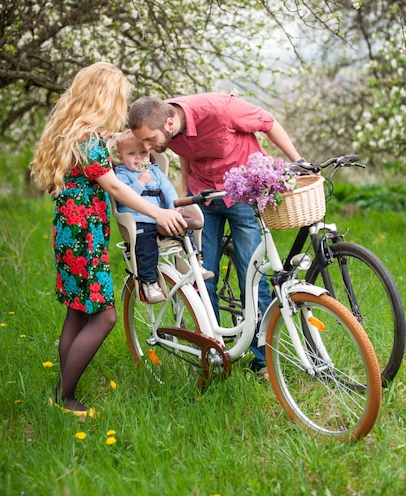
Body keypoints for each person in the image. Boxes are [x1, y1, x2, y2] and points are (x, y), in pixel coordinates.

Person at [30, 62, 186, 417]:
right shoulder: (87, 140)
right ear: (105, 98)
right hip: (84, 234)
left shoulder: (74, 132)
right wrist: (158, 212)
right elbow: (113, 185)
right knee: (104, 316)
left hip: (71, 230)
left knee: (78, 311)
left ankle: (63, 391)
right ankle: (64, 397)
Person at [128, 93, 302, 378]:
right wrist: (185, 194)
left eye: (149, 141)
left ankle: (263, 359)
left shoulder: (219, 110)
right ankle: (215, 353)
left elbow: (268, 123)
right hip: (205, 199)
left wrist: (299, 161)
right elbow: (186, 152)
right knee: (203, 276)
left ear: (170, 123)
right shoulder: (163, 121)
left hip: (242, 194)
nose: (147, 148)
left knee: (252, 275)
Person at [114, 130, 212, 303]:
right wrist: (140, 182)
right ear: (120, 157)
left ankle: (194, 265)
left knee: (184, 230)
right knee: (145, 247)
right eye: (131, 154)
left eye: (143, 153)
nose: (138, 158)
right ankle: (149, 282)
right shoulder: (121, 175)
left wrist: (174, 207)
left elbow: (167, 189)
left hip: (161, 218)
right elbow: (126, 197)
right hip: (139, 221)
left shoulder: (154, 171)